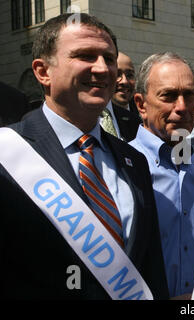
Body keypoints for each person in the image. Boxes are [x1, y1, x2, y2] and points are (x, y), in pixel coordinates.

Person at [0, 13, 168, 300]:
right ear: (43, 71)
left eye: (109, 58)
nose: (103, 69)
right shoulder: (7, 155)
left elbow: (150, 265)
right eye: (85, 56)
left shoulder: (133, 160)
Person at [129, 52, 194, 299]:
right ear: (141, 104)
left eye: (189, 95)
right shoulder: (121, 169)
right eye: (168, 96)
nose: (181, 107)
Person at [100, 52, 141, 142]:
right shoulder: (90, 114)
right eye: (118, 74)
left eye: (129, 75)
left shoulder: (142, 118)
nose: (124, 81)